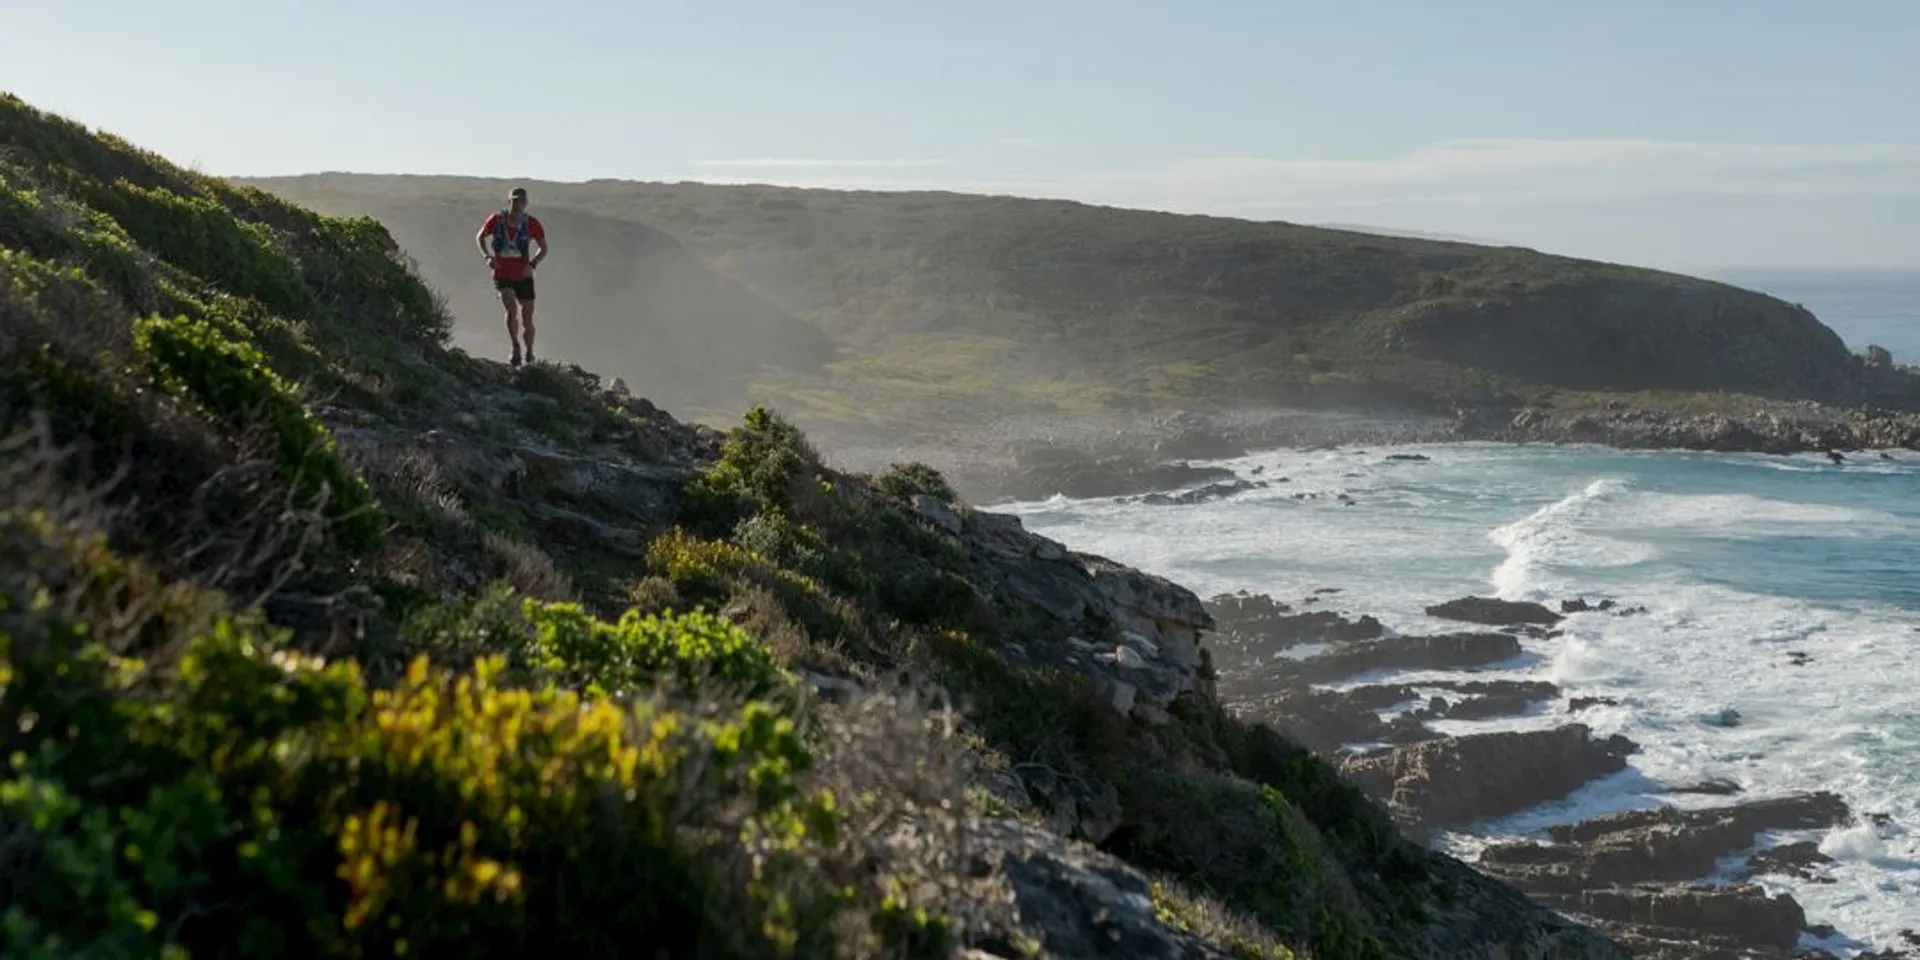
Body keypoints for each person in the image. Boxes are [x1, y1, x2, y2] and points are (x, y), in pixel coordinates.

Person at [475, 186, 550, 366]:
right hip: (502, 273)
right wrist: (487, 257)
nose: (518, 205)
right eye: (515, 201)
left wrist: (532, 264)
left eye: (521, 201)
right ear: (509, 202)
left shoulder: (532, 224)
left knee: (527, 319)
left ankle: (530, 353)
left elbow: (544, 248)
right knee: (511, 310)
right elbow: (479, 237)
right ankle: (515, 346)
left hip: (523, 275)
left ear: (526, 204)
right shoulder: (496, 220)